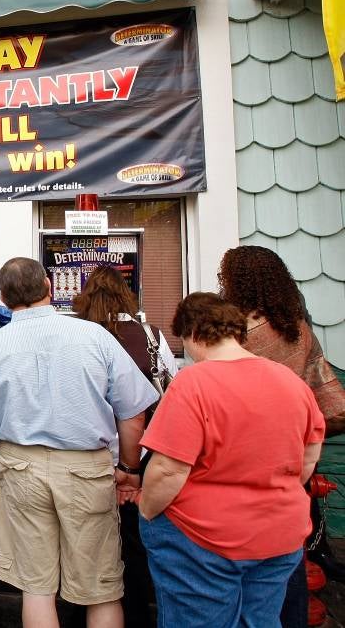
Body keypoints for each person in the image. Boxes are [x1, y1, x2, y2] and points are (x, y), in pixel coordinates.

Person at [0, 257, 158, 628]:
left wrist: (2, 463)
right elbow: (134, 414)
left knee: (37, 587)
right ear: (50, 286)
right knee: (102, 588)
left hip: (20, 467)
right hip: (87, 469)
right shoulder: (95, 337)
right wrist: (129, 470)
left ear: (2, 297)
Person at [138, 292, 325, 628]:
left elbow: (168, 469)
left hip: (202, 538)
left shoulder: (193, 383)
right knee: (261, 620)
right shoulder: (289, 381)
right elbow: (308, 455)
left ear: (194, 335)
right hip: (279, 533)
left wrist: (147, 510)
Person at [218, 245, 345, 624]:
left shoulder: (237, 332)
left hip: (246, 451)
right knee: (289, 546)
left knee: (242, 553)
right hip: (295, 447)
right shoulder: (297, 327)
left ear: (237, 281)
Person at [68, 265, 179, 628]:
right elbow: (171, 388)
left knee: (83, 545)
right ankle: (134, 615)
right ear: (125, 296)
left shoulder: (77, 336)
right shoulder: (150, 334)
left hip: (88, 455)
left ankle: (79, 613)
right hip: (141, 456)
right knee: (134, 546)